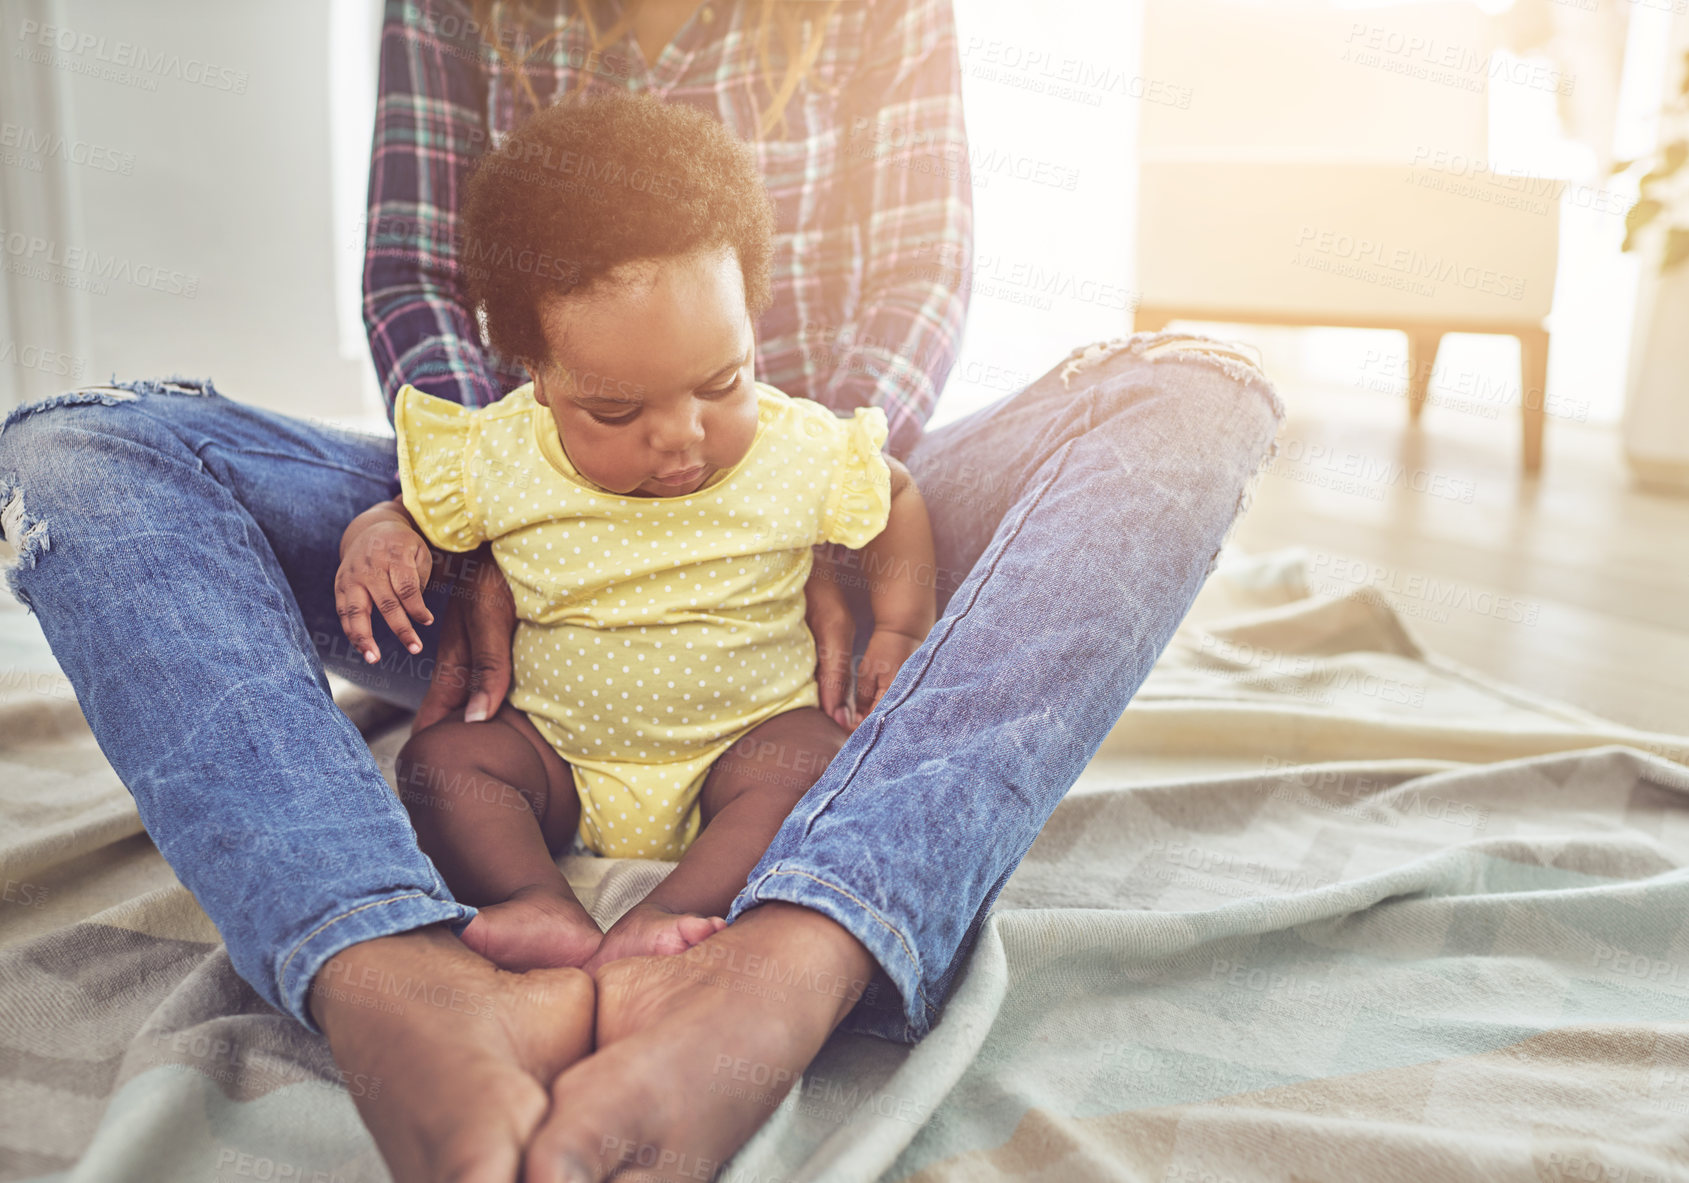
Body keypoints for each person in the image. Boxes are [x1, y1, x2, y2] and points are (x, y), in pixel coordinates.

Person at [0, 0, 1284, 1179]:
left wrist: (807, 503)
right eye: (632, 403)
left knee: (1194, 398)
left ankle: (790, 955)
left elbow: (916, 280)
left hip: (824, 487)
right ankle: (391, 967)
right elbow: (410, 273)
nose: (672, 431)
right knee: (73, 450)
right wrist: (507, 500)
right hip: (508, 534)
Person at [336, 92, 938, 976]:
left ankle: (674, 909)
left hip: (744, 749)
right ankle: (534, 898)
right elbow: (415, 509)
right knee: (442, 762)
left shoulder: (796, 446)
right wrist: (378, 532)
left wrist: (898, 625)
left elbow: (897, 492)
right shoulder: (499, 450)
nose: (681, 435)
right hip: (554, 758)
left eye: (721, 380)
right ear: (535, 376)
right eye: (616, 408)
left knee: (819, 756)